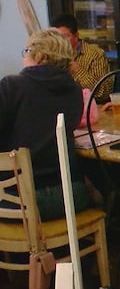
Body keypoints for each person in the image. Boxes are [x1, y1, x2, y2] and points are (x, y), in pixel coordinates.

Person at [0, 28, 91, 221]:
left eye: (26, 51)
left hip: (16, 200)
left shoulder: (11, 86)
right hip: (67, 197)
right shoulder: (74, 90)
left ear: (39, 56)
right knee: (91, 189)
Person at [50, 14, 113, 102]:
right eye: (56, 38)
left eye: (64, 37)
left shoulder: (95, 54)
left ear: (76, 36)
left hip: (88, 106)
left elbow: (103, 93)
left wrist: (77, 70)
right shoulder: (51, 55)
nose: (60, 42)